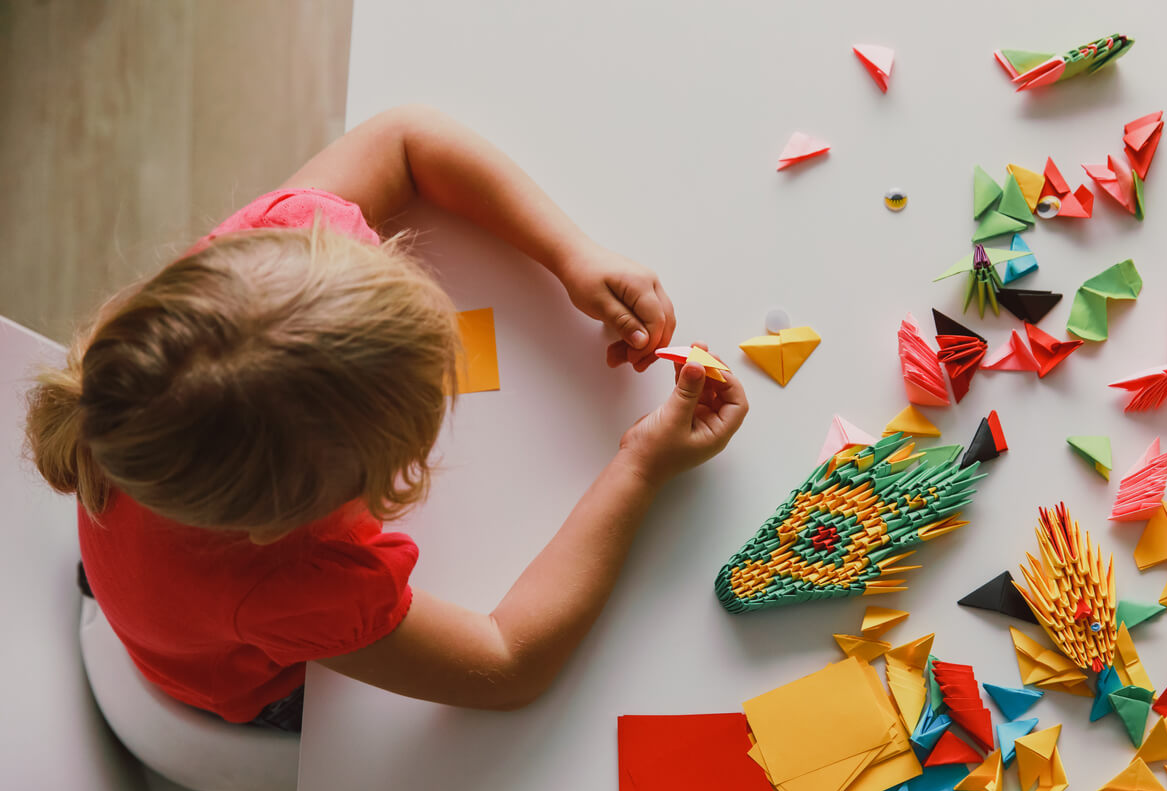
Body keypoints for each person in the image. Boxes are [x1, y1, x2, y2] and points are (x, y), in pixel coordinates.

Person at [25, 105, 748, 732]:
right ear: (309, 508)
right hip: (233, 683)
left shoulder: (264, 269)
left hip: (152, 574)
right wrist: (640, 466)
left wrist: (572, 253)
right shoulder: (290, 585)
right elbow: (507, 662)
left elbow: (407, 139)